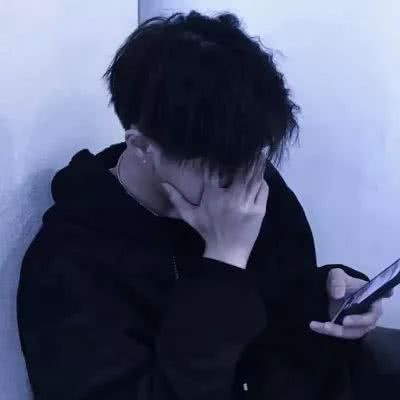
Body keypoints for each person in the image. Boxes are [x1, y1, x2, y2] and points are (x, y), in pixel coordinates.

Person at [17, 11, 390, 400]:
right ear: (141, 146)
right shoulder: (69, 266)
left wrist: (330, 297)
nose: (245, 179)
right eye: (220, 168)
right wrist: (223, 265)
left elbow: (284, 306)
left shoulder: (246, 169)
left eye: (255, 155)